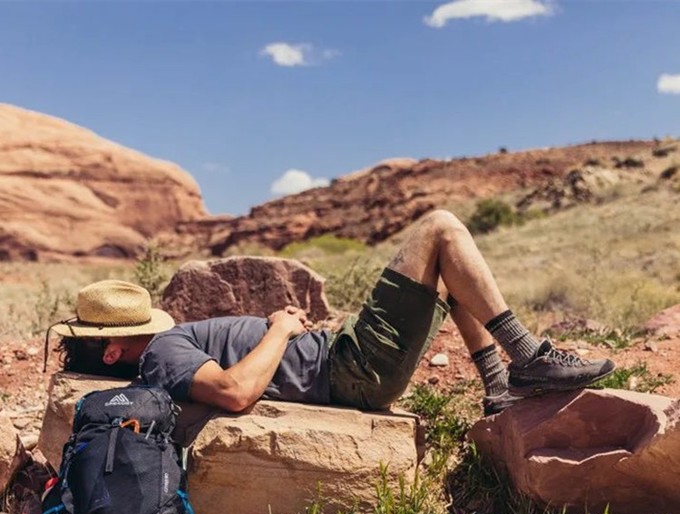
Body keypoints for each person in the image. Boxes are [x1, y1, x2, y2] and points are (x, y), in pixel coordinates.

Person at [50, 209, 615, 416]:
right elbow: (233, 393)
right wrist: (280, 328)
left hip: (345, 363)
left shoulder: (158, 354)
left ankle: (500, 386)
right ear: (114, 348)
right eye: (136, 327)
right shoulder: (163, 355)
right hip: (348, 369)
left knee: (444, 268)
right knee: (441, 228)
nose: (156, 328)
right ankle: (527, 357)